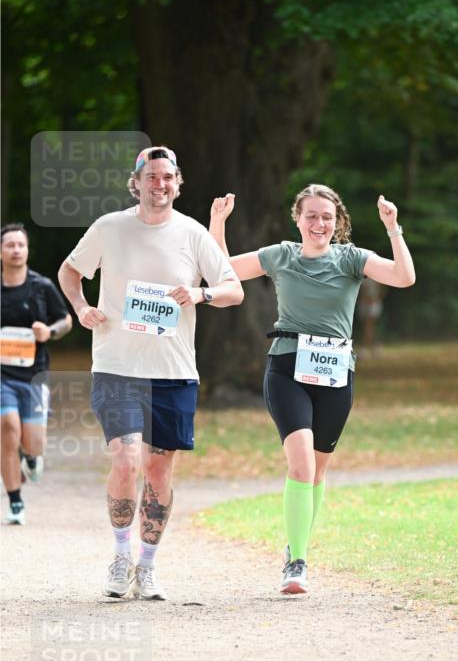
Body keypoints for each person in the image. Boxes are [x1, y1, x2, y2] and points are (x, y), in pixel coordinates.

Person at [209, 183, 415, 595]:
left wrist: (393, 228)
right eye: (311, 216)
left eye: (327, 216)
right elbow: (221, 270)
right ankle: (296, 563)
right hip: (287, 365)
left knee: (318, 471)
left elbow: (404, 277)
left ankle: (297, 543)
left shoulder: (352, 258)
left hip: (335, 372)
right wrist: (217, 222)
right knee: (300, 464)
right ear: (297, 219)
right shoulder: (281, 254)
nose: (319, 223)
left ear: (337, 221)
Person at [58, 145, 243, 600]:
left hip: (174, 371)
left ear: (178, 183)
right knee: (125, 460)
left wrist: (200, 296)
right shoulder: (110, 227)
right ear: (136, 182)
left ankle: (147, 565)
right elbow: (70, 271)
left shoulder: (193, 234)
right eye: (151, 177)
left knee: (159, 472)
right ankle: (120, 557)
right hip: (118, 366)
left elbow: (233, 289)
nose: (159, 185)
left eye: (168, 178)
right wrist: (81, 308)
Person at [1, 223, 72, 525]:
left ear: (27, 250)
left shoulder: (41, 286)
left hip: (34, 375)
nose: (16, 250)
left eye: (21, 245)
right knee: (7, 429)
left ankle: (31, 458)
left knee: (32, 443)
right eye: (10, 245)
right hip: (2, 375)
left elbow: (66, 320)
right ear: (1, 251)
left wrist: (50, 332)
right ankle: (15, 500)